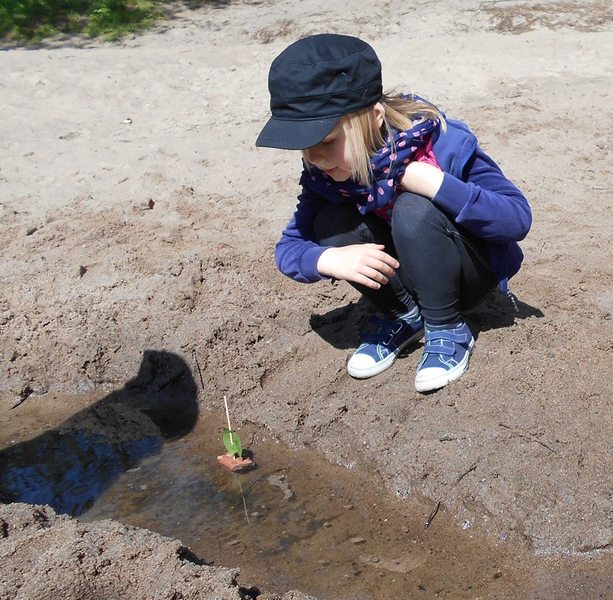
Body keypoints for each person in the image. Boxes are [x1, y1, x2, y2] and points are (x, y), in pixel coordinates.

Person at [255, 34, 531, 393]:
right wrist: (328, 259)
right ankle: (405, 316)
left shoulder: (440, 143)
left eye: (326, 141)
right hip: (406, 278)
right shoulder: (324, 175)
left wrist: (437, 184)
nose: (316, 159)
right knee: (330, 223)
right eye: (304, 147)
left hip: (466, 274)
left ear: (374, 117)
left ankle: (447, 327)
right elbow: (289, 248)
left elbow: (517, 218)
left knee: (413, 208)